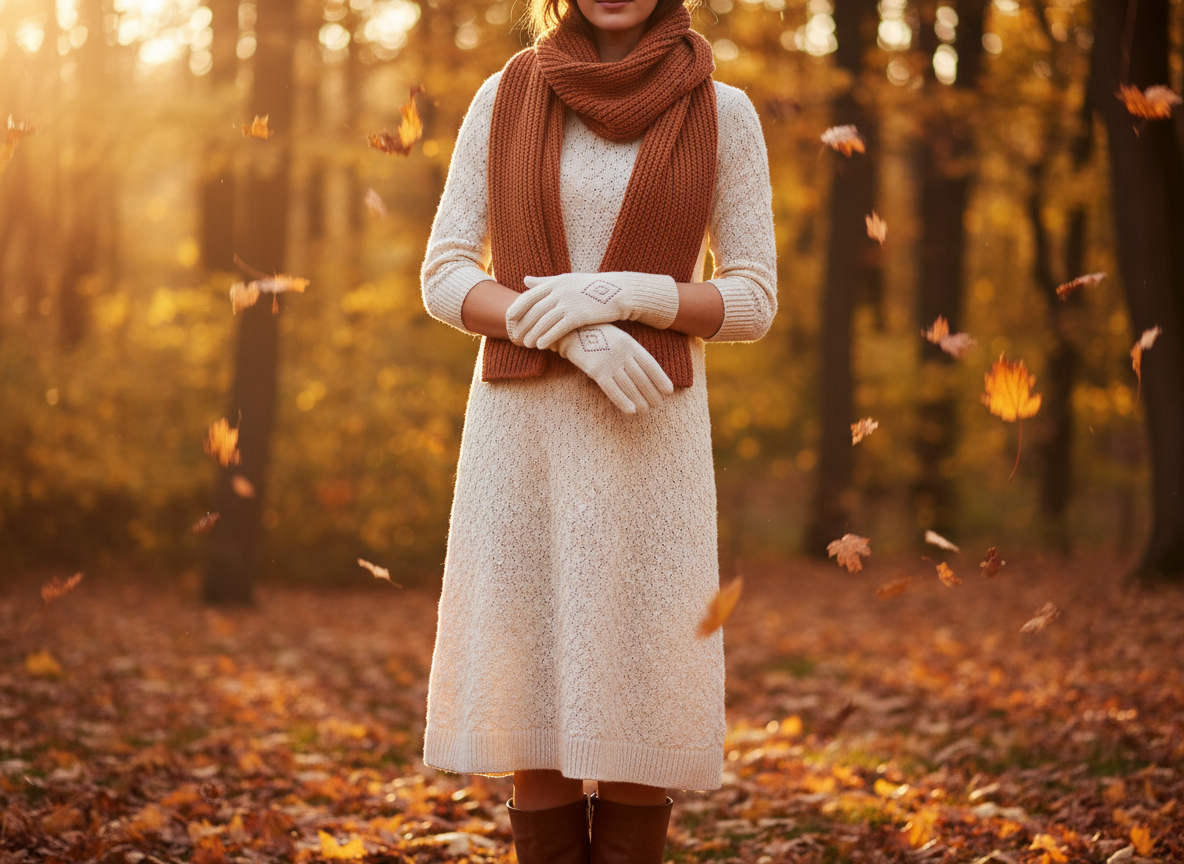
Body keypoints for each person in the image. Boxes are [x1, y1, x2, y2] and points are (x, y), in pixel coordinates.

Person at [418, 0, 776, 858]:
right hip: (522, 444)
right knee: (532, 728)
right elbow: (443, 276)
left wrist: (625, 294)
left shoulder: (723, 113)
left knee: (636, 722)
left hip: (646, 439)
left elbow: (755, 299)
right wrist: (574, 329)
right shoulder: (503, 98)